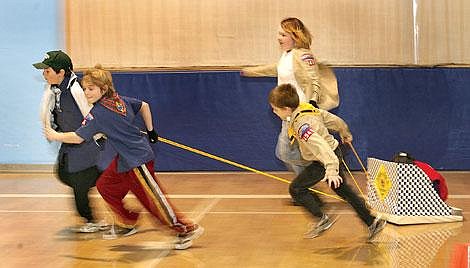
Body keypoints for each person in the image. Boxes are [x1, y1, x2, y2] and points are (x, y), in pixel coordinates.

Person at [43, 65, 203, 249]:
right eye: (85, 88)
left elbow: (78, 137)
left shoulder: (97, 114)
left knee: (153, 200)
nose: (86, 92)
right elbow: (144, 106)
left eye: (91, 89)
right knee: (105, 186)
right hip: (125, 160)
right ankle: (129, 221)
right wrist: (151, 131)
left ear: (103, 89)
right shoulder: (118, 100)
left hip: (137, 160)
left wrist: (55, 136)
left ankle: (184, 229)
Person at [268, 83, 386, 241]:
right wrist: (344, 131)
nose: (273, 112)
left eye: (275, 109)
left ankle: (321, 219)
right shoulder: (305, 108)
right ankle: (372, 222)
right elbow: (332, 120)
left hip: (325, 159)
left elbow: (320, 146)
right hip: (334, 152)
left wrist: (331, 170)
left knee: (296, 189)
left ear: (286, 109)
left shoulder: (301, 126)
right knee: (345, 192)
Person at [241, 17, 339, 176]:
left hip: (301, 114)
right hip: (287, 114)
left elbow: (314, 79)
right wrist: (250, 71)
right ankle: (309, 180)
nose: (279, 38)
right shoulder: (286, 56)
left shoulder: (304, 55)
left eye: (283, 35)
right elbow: (275, 69)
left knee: (285, 153)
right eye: (279, 34)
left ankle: (312, 177)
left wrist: (312, 102)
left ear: (295, 36)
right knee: (287, 153)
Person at [33, 50, 106, 233]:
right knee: (64, 173)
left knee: (79, 182)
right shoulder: (53, 89)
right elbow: (51, 111)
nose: (44, 74)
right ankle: (97, 186)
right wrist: (53, 128)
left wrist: (101, 136)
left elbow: (91, 112)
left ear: (61, 72)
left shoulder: (77, 89)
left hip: (86, 143)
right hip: (69, 142)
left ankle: (92, 220)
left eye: (47, 70)